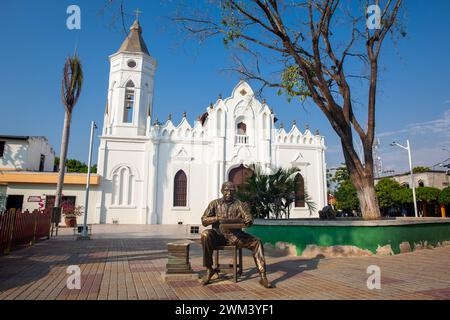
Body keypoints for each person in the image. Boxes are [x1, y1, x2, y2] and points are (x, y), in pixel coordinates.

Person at [201, 181, 272, 288]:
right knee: (205, 235)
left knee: (257, 242)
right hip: (218, 236)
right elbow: (204, 220)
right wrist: (217, 218)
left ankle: (263, 276)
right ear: (221, 191)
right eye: (226, 190)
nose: (228, 193)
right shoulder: (214, 204)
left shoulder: (239, 204)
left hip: (236, 237)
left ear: (234, 192)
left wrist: (249, 220)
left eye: (231, 190)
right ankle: (209, 269)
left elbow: (248, 217)